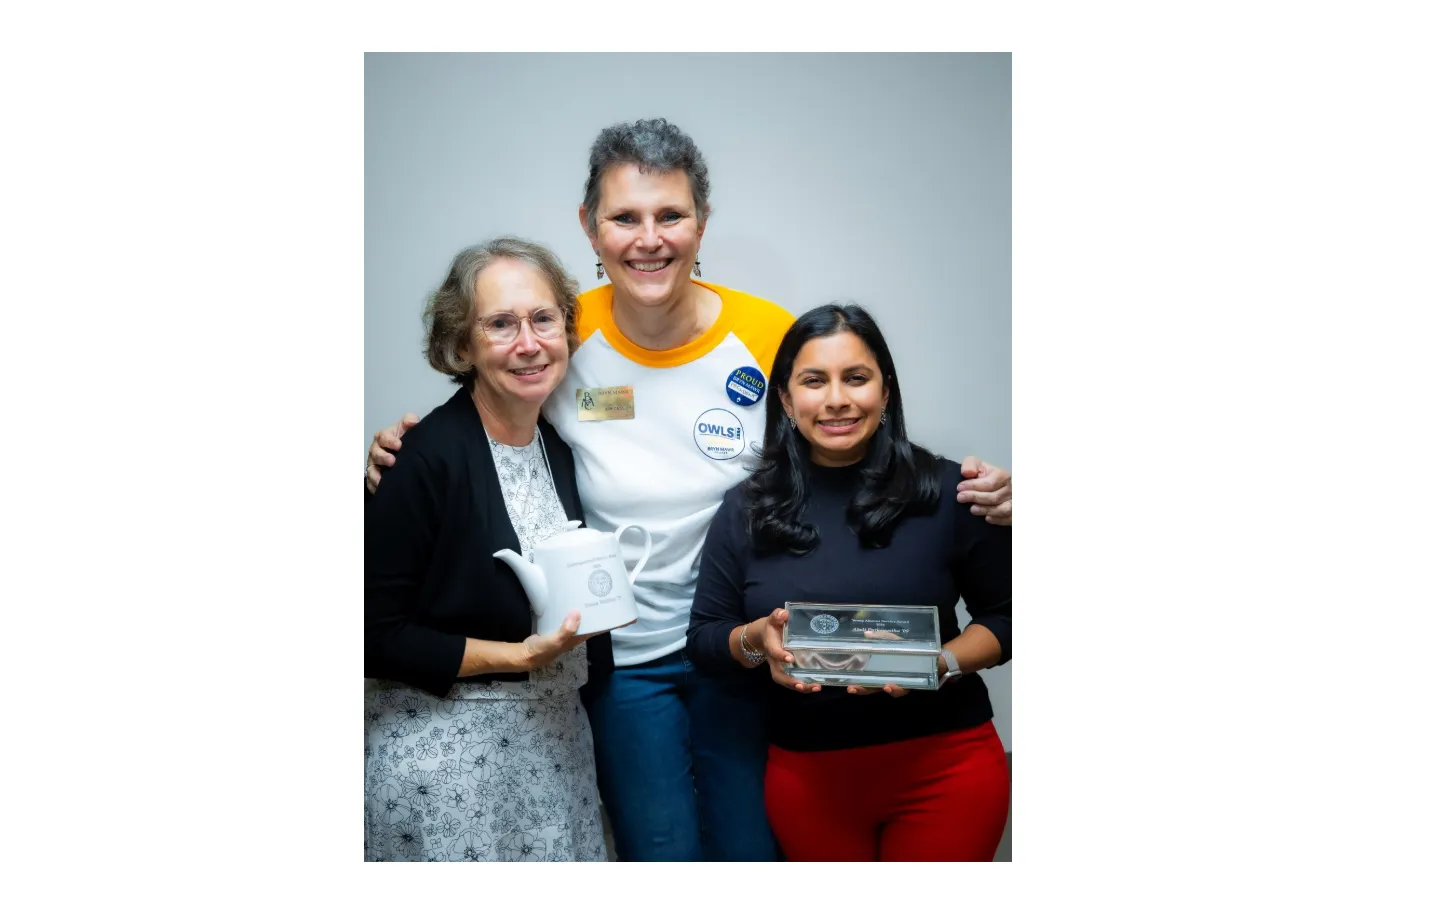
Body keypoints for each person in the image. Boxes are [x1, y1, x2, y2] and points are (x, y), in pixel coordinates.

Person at [365, 118, 1014, 861]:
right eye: (624, 217)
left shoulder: (768, 336)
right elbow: (487, 409)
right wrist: (396, 449)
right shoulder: (562, 334)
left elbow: (852, 446)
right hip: (622, 658)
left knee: (751, 854)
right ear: (589, 226)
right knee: (661, 852)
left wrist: (983, 491)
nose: (650, 238)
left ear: (702, 223)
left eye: (670, 214)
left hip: (744, 648)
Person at [686, 303, 1012, 862]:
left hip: (947, 769)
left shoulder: (954, 492)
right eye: (814, 381)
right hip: (808, 778)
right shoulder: (746, 509)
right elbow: (705, 639)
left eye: (856, 378)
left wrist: (939, 664)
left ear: (885, 393)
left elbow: (1009, 618)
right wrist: (757, 640)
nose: (836, 398)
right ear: (786, 401)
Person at [365, 237, 609, 862]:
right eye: (500, 324)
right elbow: (372, 633)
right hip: (447, 771)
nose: (528, 343)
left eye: (543, 318)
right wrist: (519, 656)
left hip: (554, 758)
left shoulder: (556, 447)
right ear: (462, 345)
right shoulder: (418, 458)